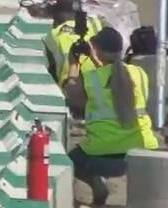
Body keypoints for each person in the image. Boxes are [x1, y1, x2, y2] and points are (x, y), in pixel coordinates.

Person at [62, 25, 160, 206]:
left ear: (97, 50)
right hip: (142, 151)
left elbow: (71, 92)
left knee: (69, 161)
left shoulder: (92, 79)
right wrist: (96, 59)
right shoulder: (139, 73)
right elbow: (114, 78)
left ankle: (96, 185)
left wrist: (74, 63)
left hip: (101, 156)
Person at [42, 0, 104, 80]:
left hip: (68, 86)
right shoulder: (95, 23)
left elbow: (51, 67)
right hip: (101, 79)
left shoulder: (53, 34)